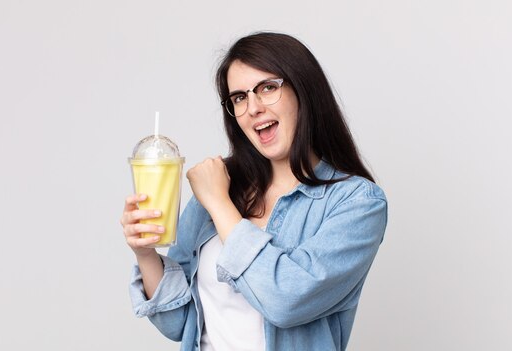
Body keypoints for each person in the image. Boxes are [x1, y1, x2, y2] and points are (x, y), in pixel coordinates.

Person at [120, 32, 388, 351]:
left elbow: (285, 301)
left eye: (267, 88)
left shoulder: (357, 203)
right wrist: (146, 254)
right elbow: (178, 322)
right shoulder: (220, 185)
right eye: (239, 97)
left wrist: (220, 204)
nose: (253, 108)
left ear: (304, 90)